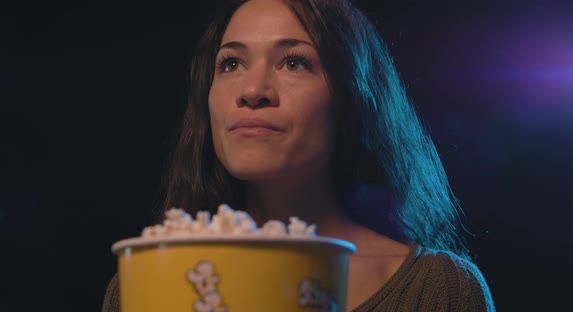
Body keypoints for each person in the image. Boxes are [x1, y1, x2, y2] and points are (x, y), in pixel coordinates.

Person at [102, 0, 495, 311]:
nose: (253, 90)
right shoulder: (142, 280)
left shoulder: (439, 291)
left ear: (351, 98)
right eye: (232, 63)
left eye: (294, 62)